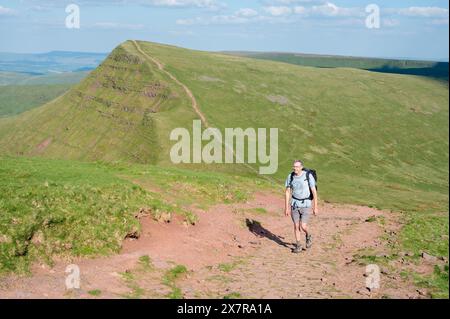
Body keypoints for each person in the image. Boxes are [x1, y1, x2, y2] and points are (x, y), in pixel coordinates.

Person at [284, 160, 318, 253]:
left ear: (301, 167)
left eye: (297, 167)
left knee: (303, 226)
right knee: (296, 226)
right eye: (294, 167)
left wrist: (315, 207)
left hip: (306, 204)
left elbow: (314, 191)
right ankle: (298, 245)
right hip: (294, 204)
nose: (295, 168)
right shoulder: (290, 176)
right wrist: (286, 207)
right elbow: (287, 192)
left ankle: (308, 235)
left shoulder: (308, 176)